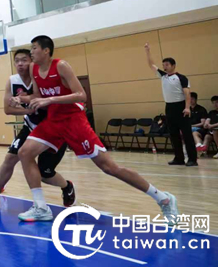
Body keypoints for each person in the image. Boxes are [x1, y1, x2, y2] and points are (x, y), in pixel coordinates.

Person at [15, 35, 177, 223]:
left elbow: (81, 95)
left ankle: (163, 198)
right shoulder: (34, 69)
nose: (31, 52)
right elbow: (37, 95)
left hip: (74, 121)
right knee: (25, 152)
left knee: (110, 168)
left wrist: (50, 100)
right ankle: (41, 207)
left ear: (46, 51)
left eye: (34, 48)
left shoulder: (61, 66)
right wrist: (22, 99)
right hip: (54, 121)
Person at [0, 49, 75, 210]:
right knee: (9, 159)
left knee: (45, 173)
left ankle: (66, 186)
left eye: (24, 60)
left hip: (53, 129)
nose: (20, 64)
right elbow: (7, 109)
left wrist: (23, 100)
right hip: (31, 127)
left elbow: (43, 100)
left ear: (32, 61)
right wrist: (28, 110)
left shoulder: (42, 77)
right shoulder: (12, 81)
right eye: (17, 61)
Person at [144, 45, 197, 166]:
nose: (165, 67)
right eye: (163, 65)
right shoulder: (163, 76)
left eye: (167, 64)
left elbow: (187, 93)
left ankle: (192, 159)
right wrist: (147, 51)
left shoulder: (181, 78)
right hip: (169, 107)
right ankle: (179, 158)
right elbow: (151, 65)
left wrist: (187, 107)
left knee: (187, 135)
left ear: (173, 65)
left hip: (181, 107)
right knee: (173, 134)